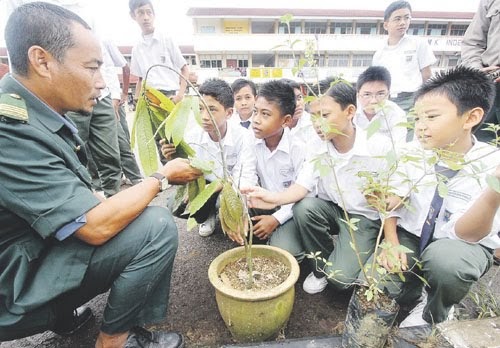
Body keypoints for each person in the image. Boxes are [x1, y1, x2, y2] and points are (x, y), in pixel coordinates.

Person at [0, 3, 201, 347]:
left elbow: (77, 195)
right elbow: (95, 227)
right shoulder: (10, 130)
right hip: (11, 290)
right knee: (156, 227)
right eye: (92, 68)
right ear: (42, 61)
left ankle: (63, 314)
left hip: (24, 256)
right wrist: (161, 177)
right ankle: (115, 340)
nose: (99, 83)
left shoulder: (36, 114)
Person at [370, 66, 499, 341]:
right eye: (416, 118)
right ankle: (417, 288)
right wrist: (391, 241)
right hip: (412, 235)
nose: (420, 127)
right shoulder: (410, 152)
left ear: (471, 117)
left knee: (446, 264)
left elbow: (469, 234)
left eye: (431, 117)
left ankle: (436, 309)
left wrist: (493, 190)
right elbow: (393, 203)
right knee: (378, 281)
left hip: (461, 245)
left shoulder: (492, 165)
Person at [243, 80, 392, 294]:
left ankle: (349, 259)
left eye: (324, 115)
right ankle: (321, 267)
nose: (317, 123)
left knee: (340, 280)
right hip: (331, 209)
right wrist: (272, 198)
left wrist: (389, 242)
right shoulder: (316, 144)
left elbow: (388, 204)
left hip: (363, 218)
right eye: (313, 115)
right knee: (304, 207)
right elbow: (302, 187)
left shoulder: (378, 147)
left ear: (350, 111)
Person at [163, 78, 257, 238]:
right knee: (174, 205)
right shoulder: (192, 136)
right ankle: (207, 216)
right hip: (204, 184)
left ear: (228, 113)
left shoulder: (244, 136)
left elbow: (246, 176)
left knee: (225, 200)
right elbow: (186, 170)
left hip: (229, 186)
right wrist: (172, 157)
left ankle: (224, 214)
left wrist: (217, 187)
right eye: (200, 109)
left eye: (211, 109)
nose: (204, 117)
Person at [461, 0, 500, 265]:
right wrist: (479, 72)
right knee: (479, 159)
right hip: (491, 85)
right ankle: (471, 229)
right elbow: (473, 41)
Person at [250, 80, 305, 260]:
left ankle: (290, 240)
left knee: (286, 253)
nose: (256, 120)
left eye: (265, 114)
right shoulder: (250, 141)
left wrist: (276, 219)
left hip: (291, 209)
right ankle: (261, 237)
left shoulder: (298, 148)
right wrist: (241, 207)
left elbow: (302, 194)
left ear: (286, 120)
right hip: (264, 204)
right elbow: (245, 175)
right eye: (255, 111)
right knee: (238, 220)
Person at [372, 0, 436, 116]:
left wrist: (425, 100)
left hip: (411, 100)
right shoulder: (379, 53)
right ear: (386, 25)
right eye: (397, 19)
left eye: (406, 18)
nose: (403, 22)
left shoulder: (418, 44)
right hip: (387, 102)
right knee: (387, 133)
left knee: (410, 133)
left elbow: (427, 76)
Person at [129, 0, 189, 104]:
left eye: (149, 12)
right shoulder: (136, 48)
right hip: (149, 98)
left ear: (154, 15)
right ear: (133, 16)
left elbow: (185, 69)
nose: (146, 17)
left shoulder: (166, 40)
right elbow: (140, 78)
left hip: (170, 96)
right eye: (140, 13)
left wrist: (179, 95)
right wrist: (137, 98)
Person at [101, 39, 144, 186]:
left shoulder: (103, 39)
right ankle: (111, 180)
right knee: (97, 146)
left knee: (121, 140)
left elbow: (125, 68)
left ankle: (135, 177)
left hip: (110, 98)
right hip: (87, 99)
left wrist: (122, 94)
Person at [354, 66, 407, 144]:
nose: (373, 101)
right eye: (367, 94)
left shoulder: (397, 114)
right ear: (358, 95)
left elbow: (399, 147)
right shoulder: (349, 111)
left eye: (380, 94)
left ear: (388, 94)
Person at [281, 78, 316, 144]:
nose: (297, 104)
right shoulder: (273, 125)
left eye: (299, 97)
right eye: (290, 100)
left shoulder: (313, 123)